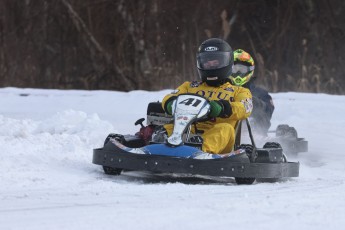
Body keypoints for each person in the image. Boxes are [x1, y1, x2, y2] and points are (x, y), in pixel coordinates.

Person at [159, 38, 253, 154]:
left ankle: (200, 149)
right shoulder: (189, 86)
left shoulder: (239, 91)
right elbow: (170, 96)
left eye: (216, 62)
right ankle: (159, 145)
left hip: (218, 138)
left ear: (227, 62)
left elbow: (245, 108)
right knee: (169, 127)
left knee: (225, 128)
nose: (211, 65)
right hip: (189, 129)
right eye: (207, 62)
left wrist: (222, 108)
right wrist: (170, 104)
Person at [229, 49, 275, 135]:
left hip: (254, 134)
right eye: (235, 69)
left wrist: (254, 103)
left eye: (242, 69)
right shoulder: (222, 90)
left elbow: (268, 112)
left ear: (250, 70)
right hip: (225, 130)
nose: (238, 73)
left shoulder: (261, 93)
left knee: (255, 108)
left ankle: (251, 131)